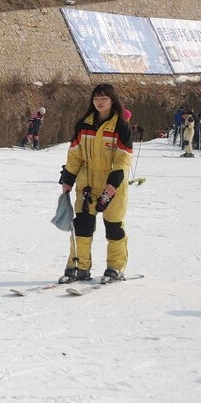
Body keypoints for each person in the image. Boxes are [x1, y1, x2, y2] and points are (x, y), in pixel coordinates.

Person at [57, 83, 134, 284]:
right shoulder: (84, 124)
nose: (99, 102)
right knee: (82, 225)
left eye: (104, 98)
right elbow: (75, 155)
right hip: (87, 184)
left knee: (114, 228)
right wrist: (68, 179)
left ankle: (115, 267)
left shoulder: (121, 127)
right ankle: (78, 266)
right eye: (96, 98)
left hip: (113, 187)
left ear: (112, 100)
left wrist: (113, 183)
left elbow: (123, 158)